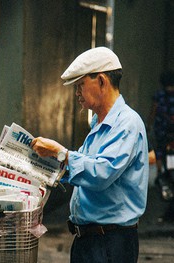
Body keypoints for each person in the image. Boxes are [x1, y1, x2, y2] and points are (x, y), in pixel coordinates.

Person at [31, 47, 149, 263]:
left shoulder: (127, 124)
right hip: (89, 240)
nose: (77, 93)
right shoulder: (98, 123)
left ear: (102, 81)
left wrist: (62, 154)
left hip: (111, 243)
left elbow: (101, 173)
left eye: (80, 86)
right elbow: (85, 168)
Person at [149, 70, 174, 221]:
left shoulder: (159, 95)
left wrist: (149, 125)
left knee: (159, 152)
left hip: (162, 134)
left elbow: (153, 112)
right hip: (170, 136)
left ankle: (160, 172)